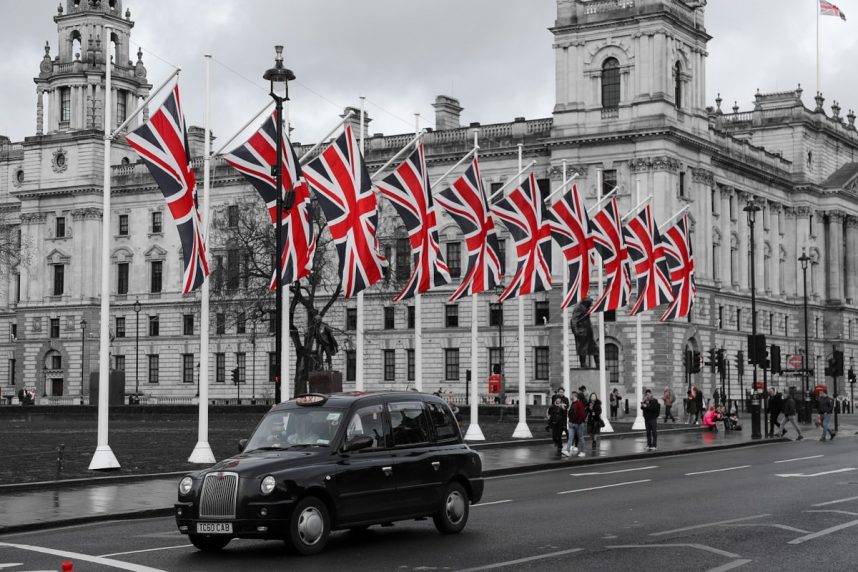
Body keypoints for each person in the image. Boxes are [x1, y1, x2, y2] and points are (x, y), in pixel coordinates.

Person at [563, 391, 587, 458]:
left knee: (581, 438)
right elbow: (570, 413)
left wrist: (579, 422)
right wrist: (569, 421)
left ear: (574, 396)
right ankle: (567, 451)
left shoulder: (579, 403)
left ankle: (583, 452)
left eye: (571, 395)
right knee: (570, 438)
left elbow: (582, 414)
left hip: (578, 424)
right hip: (572, 424)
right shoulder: (572, 403)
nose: (570, 396)